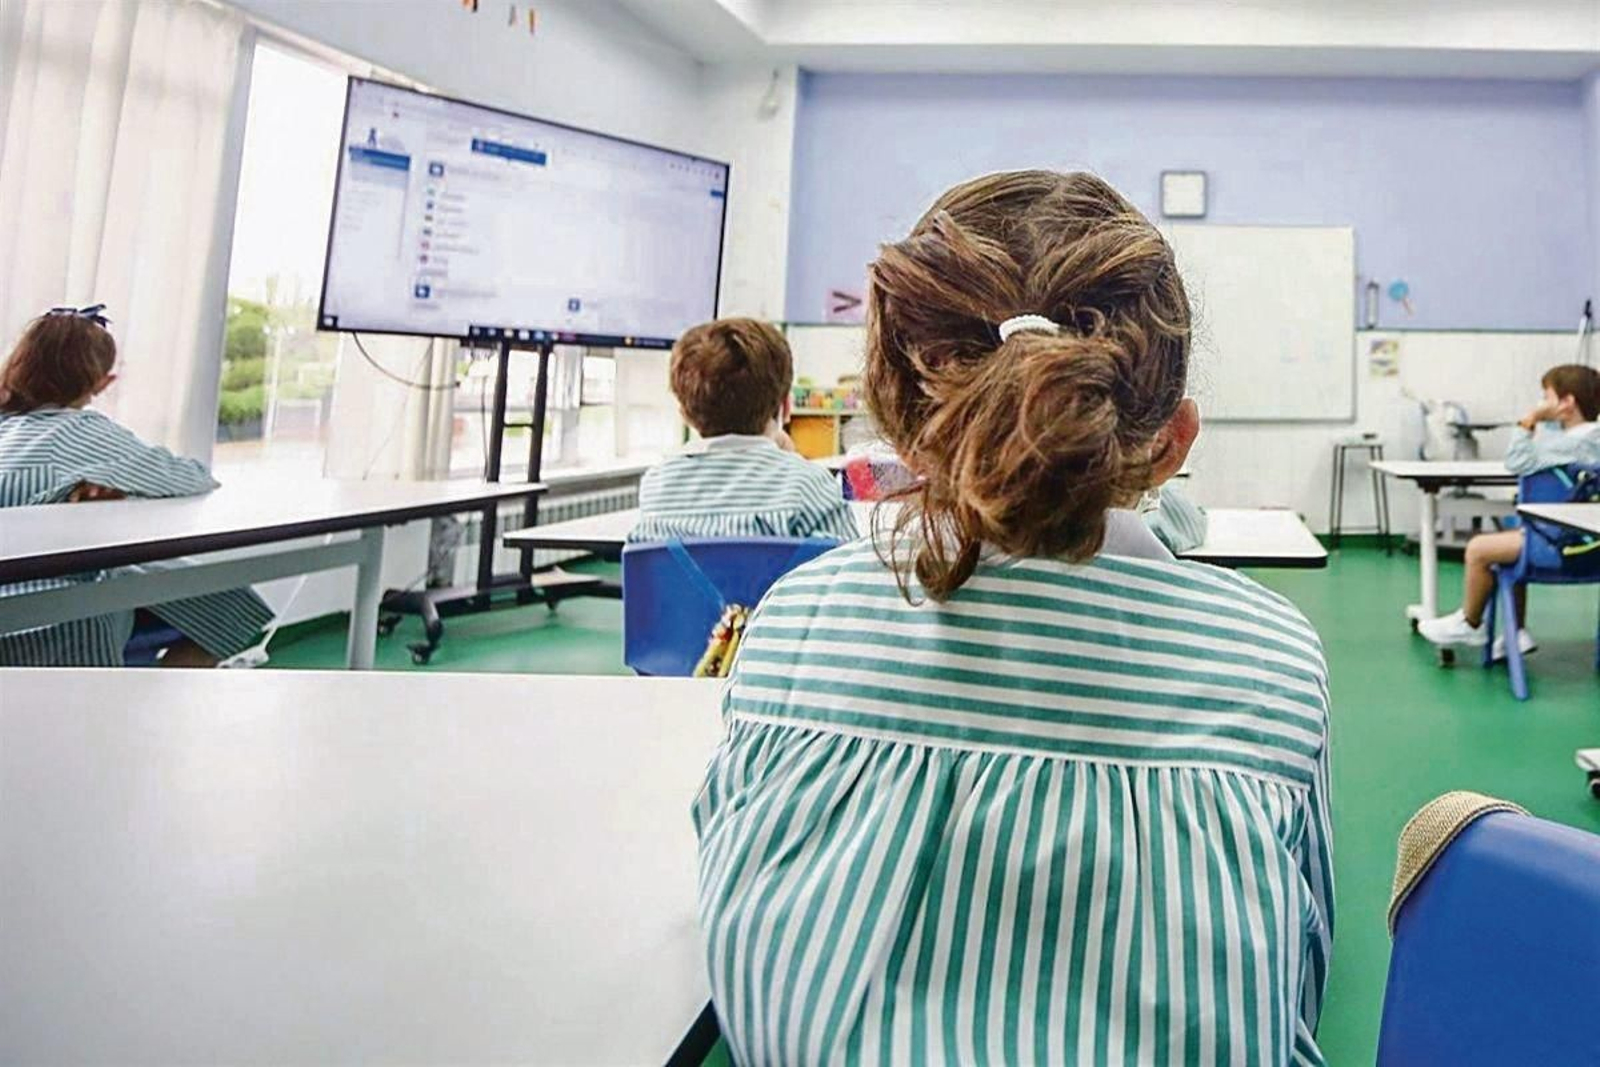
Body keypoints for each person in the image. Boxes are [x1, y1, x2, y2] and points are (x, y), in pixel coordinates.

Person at [693, 171, 1334, 1064]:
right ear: (1173, 443)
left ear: (902, 434)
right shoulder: (1269, 656)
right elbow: (1294, 986)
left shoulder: (798, 619)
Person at [0, 306, 273, 667]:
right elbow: (191, 477)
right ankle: (145, 704)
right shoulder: (90, 437)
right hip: (58, 616)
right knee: (236, 610)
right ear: (102, 383)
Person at [1417, 364, 1600, 654]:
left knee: (1479, 548)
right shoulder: (1591, 440)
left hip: (1561, 547)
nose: (1542, 403)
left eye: (1547, 397)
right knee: (1513, 534)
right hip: (1594, 550)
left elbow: (1517, 460)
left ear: (1567, 402)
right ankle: (1516, 632)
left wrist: (1529, 420)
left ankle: (1470, 623)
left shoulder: (1569, 445)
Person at [631, 317, 857, 542]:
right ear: (786, 407)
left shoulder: (658, 485)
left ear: (684, 413)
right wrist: (793, 464)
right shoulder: (811, 486)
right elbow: (846, 566)